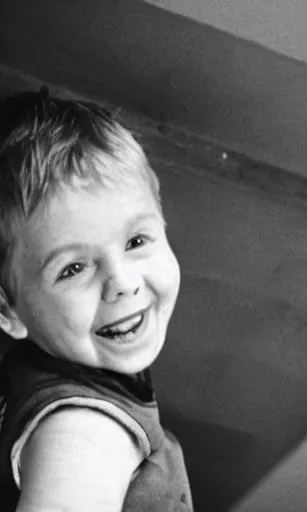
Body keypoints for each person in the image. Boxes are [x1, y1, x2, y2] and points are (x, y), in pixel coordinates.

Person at [0, 88, 193, 511]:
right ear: (7, 310)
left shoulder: (39, 375)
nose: (121, 282)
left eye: (137, 240)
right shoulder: (84, 431)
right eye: (73, 269)